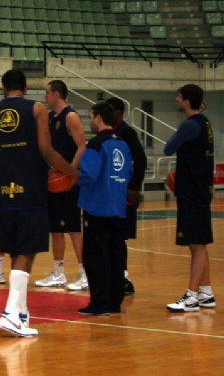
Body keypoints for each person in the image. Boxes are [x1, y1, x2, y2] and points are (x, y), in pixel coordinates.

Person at [0, 70, 77, 337]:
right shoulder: (36, 108)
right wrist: (71, 171)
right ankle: (11, 312)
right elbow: (46, 150)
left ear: (3, 87)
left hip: (2, 190)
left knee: (16, 251)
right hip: (30, 188)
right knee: (27, 249)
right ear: (25, 87)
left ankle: (21, 314)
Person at [164, 84, 216, 312]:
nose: (176, 99)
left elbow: (167, 148)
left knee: (196, 244)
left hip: (192, 192)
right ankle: (206, 291)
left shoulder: (189, 125)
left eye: (178, 96)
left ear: (186, 101)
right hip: (201, 190)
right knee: (199, 243)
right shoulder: (206, 123)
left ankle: (192, 296)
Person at [76, 102, 132, 315]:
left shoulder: (96, 145)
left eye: (90, 117)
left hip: (98, 207)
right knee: (115, 256)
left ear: (98, 118)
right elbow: (128, 171)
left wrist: (69, 178)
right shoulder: (123, 144)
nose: (89, 121)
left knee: (95, 257)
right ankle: (114, 302)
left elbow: (88, 174)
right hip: (118, 206)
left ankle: (99, 303)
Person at [35, 80, 87, 291]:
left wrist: (71, 173)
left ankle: (85, 273)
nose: (45, 96)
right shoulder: (49, 118)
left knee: (74, 229)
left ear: (57, 94)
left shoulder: (70, 116)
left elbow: (82, 145)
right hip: (52, 181)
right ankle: (58, 272)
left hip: (68, 182)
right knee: (55, 229)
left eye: (47, 93)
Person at [105, 97, 147, 295]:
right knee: (113, 237)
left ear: (119, 112)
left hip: (125, 192)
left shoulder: (126, 132)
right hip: (113, 192)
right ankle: (117, 277)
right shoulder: (110, 133)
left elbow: (141, 159)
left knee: (119, 237)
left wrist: (134, 186)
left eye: (110, 110)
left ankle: (123, 278)